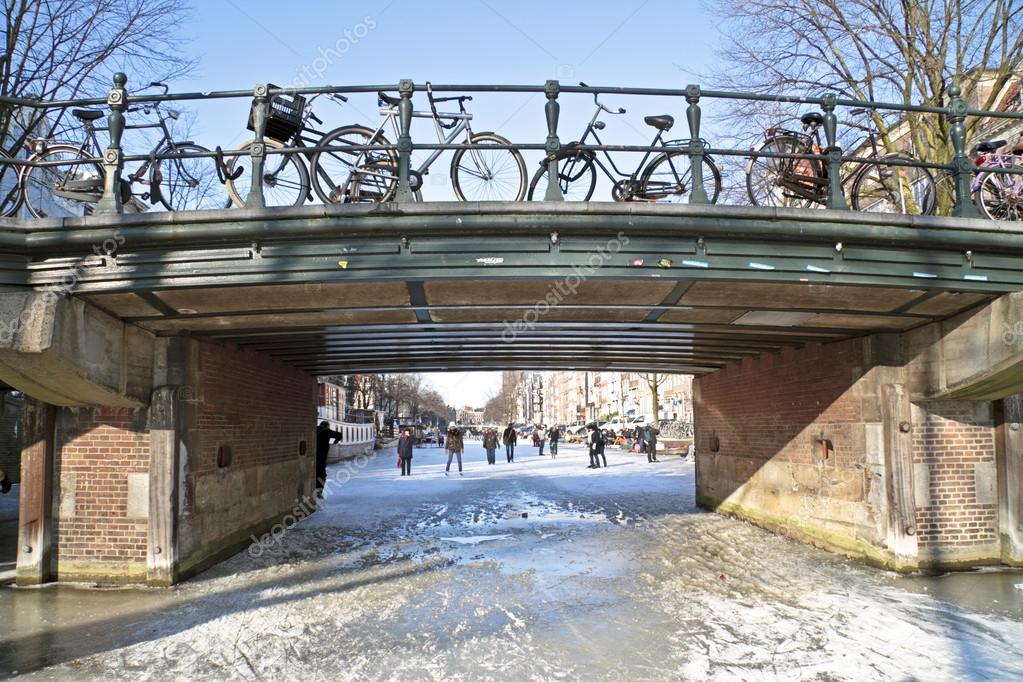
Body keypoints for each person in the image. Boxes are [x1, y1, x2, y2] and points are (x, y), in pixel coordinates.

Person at [316, 421, 343, 498]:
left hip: (313, 457)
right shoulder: (326, 431)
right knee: (322, 475)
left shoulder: (315, 429)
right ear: (327, 426)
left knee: (315, 473)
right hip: (322, 457)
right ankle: (318, 492)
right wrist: (335, 441)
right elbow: (339, 434)